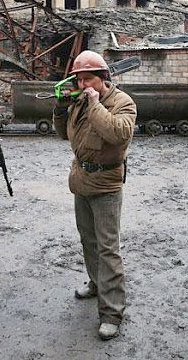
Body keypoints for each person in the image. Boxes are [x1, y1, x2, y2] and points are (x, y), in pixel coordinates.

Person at [52, 50, 137, 340]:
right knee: (88, 239)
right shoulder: (79, 99)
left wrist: (94, 103)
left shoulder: (122, 103)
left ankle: (112, 312)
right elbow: (64, 134)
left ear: (103, 78)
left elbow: (117, 134)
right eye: (79, 79)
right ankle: (96, 283)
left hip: (106, 185)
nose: (82, 84)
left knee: (108, 249)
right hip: (82, 180)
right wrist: (61, 108)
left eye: (88, 78)